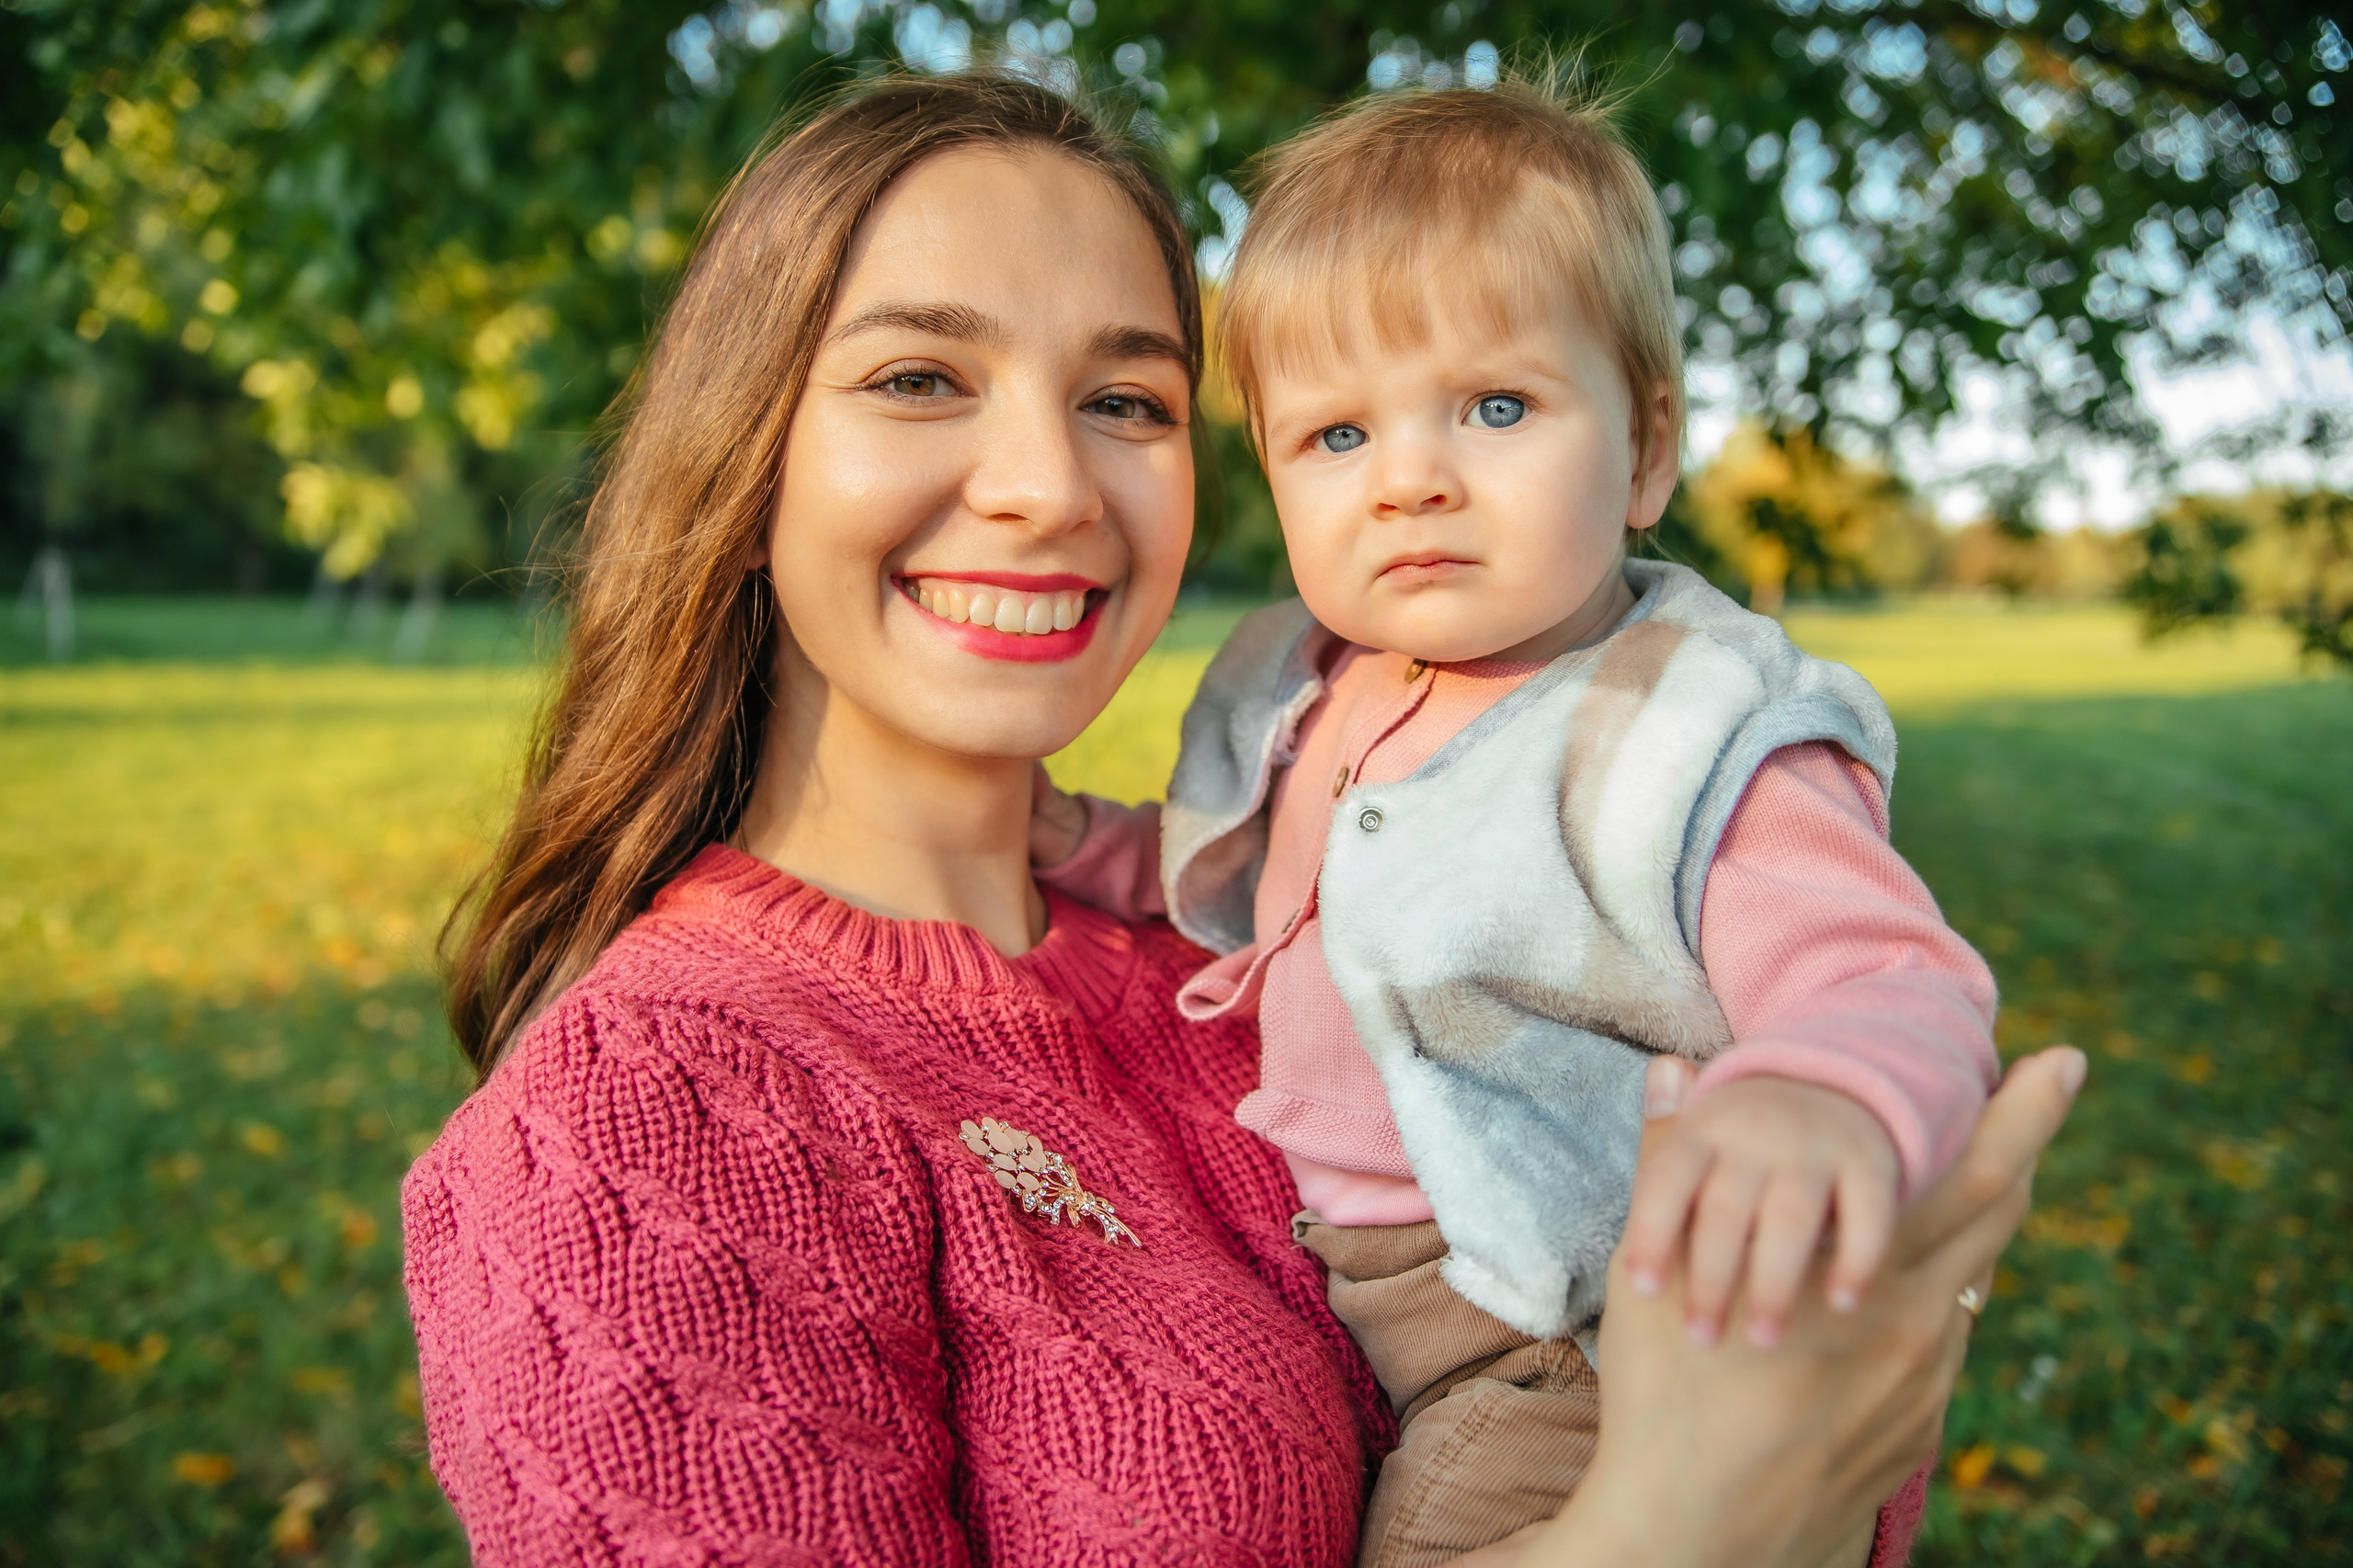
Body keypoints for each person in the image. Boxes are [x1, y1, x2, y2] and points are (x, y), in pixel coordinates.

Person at [403, 72, 2075, 1568]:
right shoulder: (655, 1111)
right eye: (920, 375)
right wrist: (1677, 1531)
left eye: (1126, 400)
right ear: (745, 447)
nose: (1049, 485)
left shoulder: (1232, 932)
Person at [1026, 79, 2002, 1568]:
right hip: (1370, 1293)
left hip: (1574, 1338)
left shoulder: (1678, 731)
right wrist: (1078, 841)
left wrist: (1825, 1100)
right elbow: (1240, 871)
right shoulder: (1314, 682)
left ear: (1648, 446)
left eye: (1496, 406)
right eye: (1337, 434)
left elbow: (1893, 980)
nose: (1413, 476)